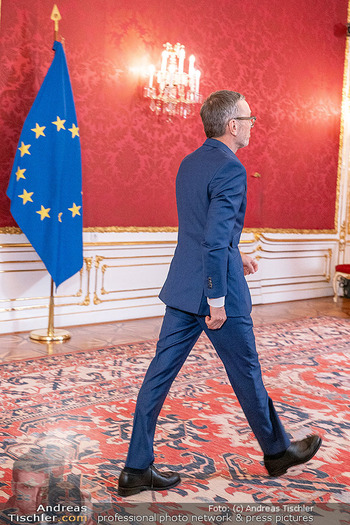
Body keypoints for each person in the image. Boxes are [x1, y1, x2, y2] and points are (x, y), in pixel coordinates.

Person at [118, 90, 321, 497]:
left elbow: (204, 228)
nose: (252, 124)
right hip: (216, 294)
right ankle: (278, 453)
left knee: (158, 377)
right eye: (250, 118)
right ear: (233, 125)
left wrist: (237, 252)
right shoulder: (232, 168)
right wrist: (217, 300)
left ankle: (136, 469)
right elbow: (212, 237)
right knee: (247, 374)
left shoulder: (190, 162)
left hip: (182, 288)